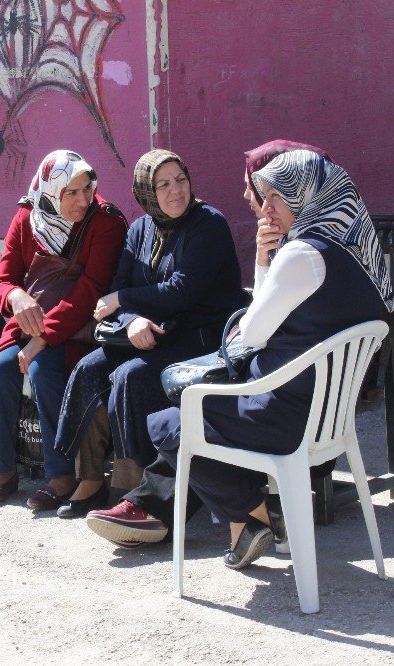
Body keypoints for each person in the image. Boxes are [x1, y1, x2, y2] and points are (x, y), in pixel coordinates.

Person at [102, 149, 393, 569]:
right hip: (327, 413)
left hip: (282, 409)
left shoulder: (303, 255)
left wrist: (266, 267)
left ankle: (255, 514)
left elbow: (252, 334)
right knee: (197, 407)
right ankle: (244, 524)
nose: (266, 208)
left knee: (171, 420)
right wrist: (263, 259)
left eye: (277, 197)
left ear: (305, 195)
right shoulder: (356, 246)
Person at [51, 150, 244, 518]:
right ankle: (89, 481)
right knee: (90, 369)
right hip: (146, 335)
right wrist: (133, 319)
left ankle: (133, 490)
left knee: (131, 377)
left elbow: (180, 290)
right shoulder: (140, 229)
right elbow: (118, 287)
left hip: (198, 339)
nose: (176, 192)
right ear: (145, 192)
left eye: (181, 180)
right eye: (163, 184)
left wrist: (124, 301)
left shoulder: (208, 225)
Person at [0, 150, 126, 508]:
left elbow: (89, 292)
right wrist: (17, 297)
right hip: (30, 326)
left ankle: (62, 474)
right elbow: (1, 281)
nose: (83, 199)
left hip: (81, 328)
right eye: (71, 192)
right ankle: (2, 471)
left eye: (87, 187)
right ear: (50, 192)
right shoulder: (28, 216)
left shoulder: (105, 222)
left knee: (43, 369)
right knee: (1, 368)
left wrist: (40, 340)